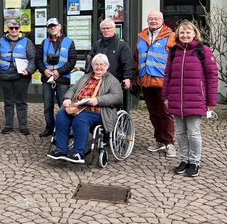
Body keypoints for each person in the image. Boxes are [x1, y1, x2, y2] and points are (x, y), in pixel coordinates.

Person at [162, 20, 218, 177]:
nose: (185, 35)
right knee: (180, 133)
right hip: (176, 99)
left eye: (188, 32)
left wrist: (211, 101)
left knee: (193, 132)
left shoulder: (203, 50)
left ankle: (195, 162)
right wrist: (165, 96)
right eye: (182, 33)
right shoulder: (173, 52)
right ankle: (184, 160)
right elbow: (167, 76)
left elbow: (212, 76)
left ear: (194, 34)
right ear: (178, 35)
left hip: (195, 98)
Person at [47, 54, 122, 163]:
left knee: (80, 119)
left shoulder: (112, 80)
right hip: (78, 107)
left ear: (107, 66)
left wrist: (98, 100)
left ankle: (78, 153)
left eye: (102, 64)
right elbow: (73, 88)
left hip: (97, 110)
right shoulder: (86, 77)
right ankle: (61, 149)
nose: (99, 67)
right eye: (96, 64)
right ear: (92, 66)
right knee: (62, 115)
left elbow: (117, 97)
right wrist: (67, 98)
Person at [134, 10, 177, 157]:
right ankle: (159, 140)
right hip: (146, 81)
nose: (153, 21)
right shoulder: (141, 36)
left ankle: (169, 143)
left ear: (162, 20)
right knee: (153, 112)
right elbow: (136, 58)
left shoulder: (171, 36)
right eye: (150, 18)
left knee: (165, 113)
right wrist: (135, 79)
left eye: (156, 18)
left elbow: (176, 60)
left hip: (163, 82)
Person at [0, 19, 36, 135]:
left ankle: (23, 125)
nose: (14, 30)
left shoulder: (27, 41)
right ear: (8, 29)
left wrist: (29, 70)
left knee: (21, 102)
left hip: (21, 77)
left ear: (20, 29)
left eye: (16, 28)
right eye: (11, 28)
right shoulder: (1, 41)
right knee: (8, 102)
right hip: (5, 76)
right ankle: (8, 125)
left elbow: (32, 58)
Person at [36, 18, 77, 138]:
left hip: (62, 80)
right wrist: (44, 70)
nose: (52, 28)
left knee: (64, 106)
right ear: (48, 29)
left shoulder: (69, 42)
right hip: (47, 79)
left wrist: (59, 71)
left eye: (54, 26)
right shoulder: (44, 42)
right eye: (50, 27)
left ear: (59, 26)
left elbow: (72, 61)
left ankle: (65, 129)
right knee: (47, 106)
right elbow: (38, 59)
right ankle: (49, 128)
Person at [85, 19, 135, 90]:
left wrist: (127, 78)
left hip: (116, 83)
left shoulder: (121, 45)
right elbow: (90, 62)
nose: (106, 30)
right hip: (98, 83)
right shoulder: (97, 44)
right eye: (103, 28)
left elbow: (128, 63)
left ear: (114, 29)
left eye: (108, 28)